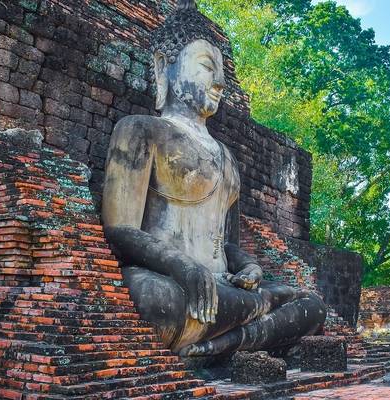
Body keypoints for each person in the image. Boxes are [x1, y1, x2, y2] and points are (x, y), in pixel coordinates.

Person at [101, 0, 326, 356]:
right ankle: (249, 328)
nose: (219, 82)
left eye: (221, 71)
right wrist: (182, 265)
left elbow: (227, 245)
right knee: (152, 301)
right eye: (207, 67)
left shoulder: (227, 158)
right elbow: (119, 231)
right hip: (170, 282)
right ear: (164, 67)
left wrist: (249, 266)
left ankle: (227, 341)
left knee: (312, 304)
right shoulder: (141, 131)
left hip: (224, 288)